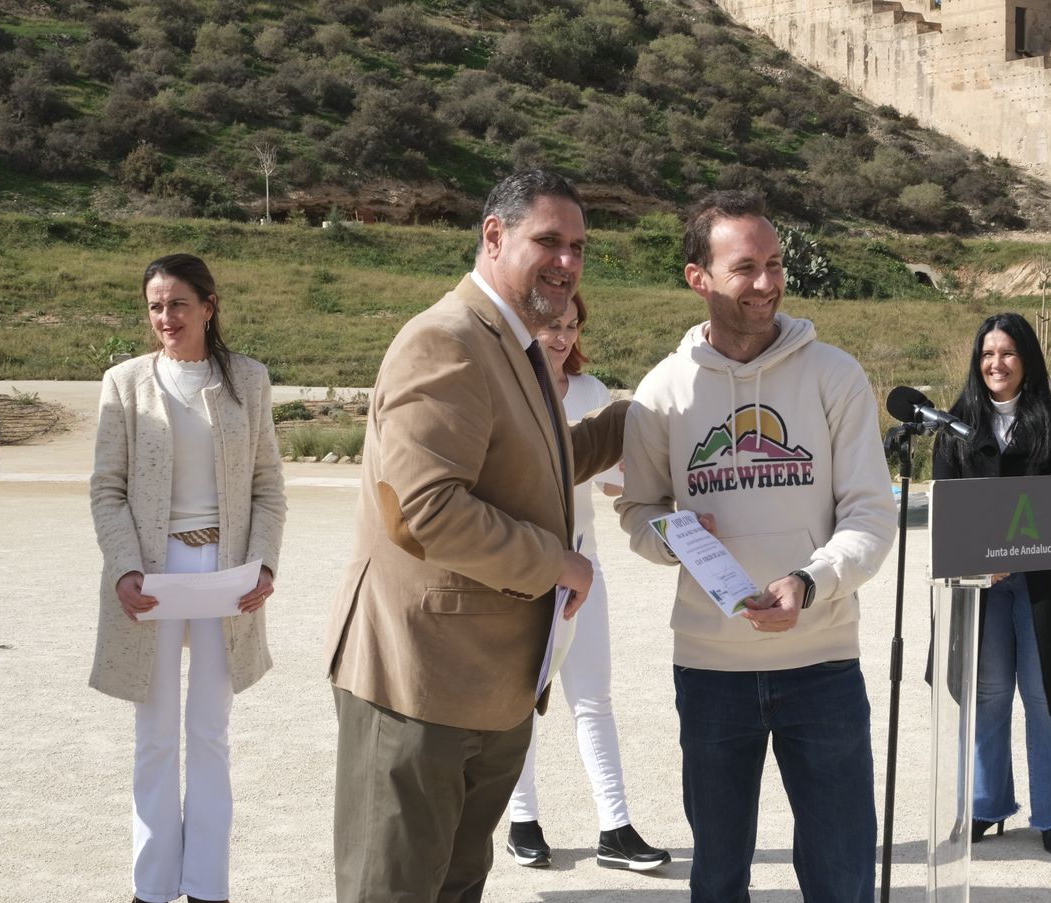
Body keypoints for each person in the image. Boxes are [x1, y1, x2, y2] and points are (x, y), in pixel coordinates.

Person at [324, 169, 627, 902]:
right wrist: (556, 562)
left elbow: (538, 466)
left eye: (578, 246)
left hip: (488, 693)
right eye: (547, 240)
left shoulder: (516, 345)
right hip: (419, 684)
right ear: (494, 235)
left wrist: (644, 416)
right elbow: (424, 508)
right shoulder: (446, 339)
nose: (567, 261)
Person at [616, 190, 897, 903]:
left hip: (823, 664)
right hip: (711, 672)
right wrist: (670, 539)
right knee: (716, 880)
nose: (768, 282)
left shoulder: (835, 376)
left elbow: (870, 514)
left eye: (775, 264)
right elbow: (639, 511)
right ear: (698, 277)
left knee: (841, 881)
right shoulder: (662, 393)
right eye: (746, 268)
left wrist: (811, 580)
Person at [89, 254, 287, 903]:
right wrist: (123, 565)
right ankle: (151, 887)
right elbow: (106, 490)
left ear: (209, 305)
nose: (165, 317)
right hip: (150, 575)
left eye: (178, 303)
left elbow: (268, 488)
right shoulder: (123, 382)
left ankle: (207, 886)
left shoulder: (250, 381)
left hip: (223, 575)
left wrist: (262, 562)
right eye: (155, 306)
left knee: (208, 731)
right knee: (154, 735)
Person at [931, 312, 1051, 857]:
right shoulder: (956, 423)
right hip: (981, 584)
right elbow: (950, 503)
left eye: (1007, 353)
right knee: (984, 695)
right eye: (987, 354)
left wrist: (1014, 549)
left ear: (1026, 359)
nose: (996, 364)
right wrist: (982, 558)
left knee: (1044, 696)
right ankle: (986, 805)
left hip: (1046, 583)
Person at [503, 293, 670, 872]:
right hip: (524, 571)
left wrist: (664, 494)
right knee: (520, 701)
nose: (562, 337)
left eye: (572, 326)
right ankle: (521, 820)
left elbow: (612, 484)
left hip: (584, 570)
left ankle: (615, 829)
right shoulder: (509, 389)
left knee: (592, 699)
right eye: (552, 326)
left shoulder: (595, 394)